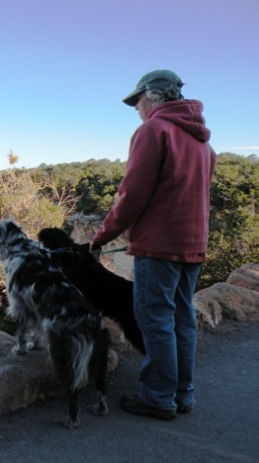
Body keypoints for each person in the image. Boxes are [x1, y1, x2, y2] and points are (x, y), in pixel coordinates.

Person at [90, 69, 216, 420]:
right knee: (182, 318)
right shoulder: (204, 143)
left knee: (155, 319)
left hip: (158, 246)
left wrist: (101, 236)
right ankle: (182, 395)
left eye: (138, 100)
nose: (136, 107)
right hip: (193, 243)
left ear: (156, 96)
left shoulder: (153, 131)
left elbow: (132, 196)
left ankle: (158, 398)